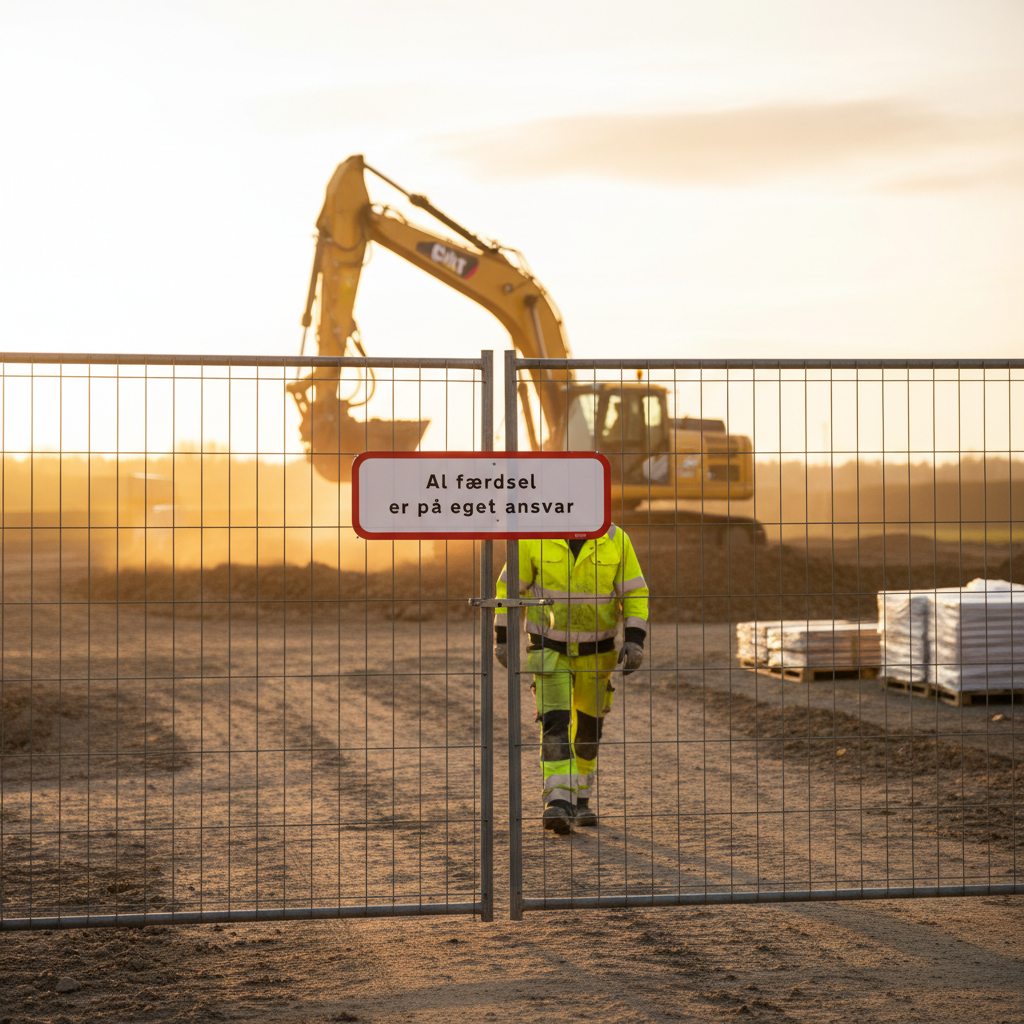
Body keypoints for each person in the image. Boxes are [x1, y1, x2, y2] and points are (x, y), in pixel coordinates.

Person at [494, 525, 649, 834]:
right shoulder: (533, 536)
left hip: (598, 653)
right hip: (549, 650)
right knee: (554, 724)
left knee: (589, 730)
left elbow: (634, 591)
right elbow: (509, 590)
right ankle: (558, 802)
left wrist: (635, 639)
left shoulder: (615, 539)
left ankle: (580, 799)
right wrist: (503, 637)